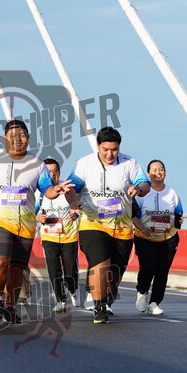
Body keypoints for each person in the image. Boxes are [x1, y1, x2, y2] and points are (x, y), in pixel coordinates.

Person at [0, 119, 72, 326]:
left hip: (25, 223)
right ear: (5, 138)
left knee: (17, 268)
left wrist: (57, 190)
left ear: (28, 138)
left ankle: (11, 306)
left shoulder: (37, 165)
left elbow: (47, 190)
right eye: (13, 136)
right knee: (1, 258)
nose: (18, 139)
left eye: (22, 136)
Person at [67, 127, 150, 324]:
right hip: (92, 222)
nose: (110, 154)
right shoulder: (84, 164)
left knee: (115, 273)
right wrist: (73, 202)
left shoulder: (130, 163)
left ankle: (104, 296)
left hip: (122, 227)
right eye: (105, 149)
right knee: (100, 263)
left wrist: (138, 189)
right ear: (98, 146)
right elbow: (71, 188)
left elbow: (145, 184)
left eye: (114, 150)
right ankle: (99, 307)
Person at [132, 160, 183, 316]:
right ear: (148, 174)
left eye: (161, 169)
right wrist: (142, 228)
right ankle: (142, 292)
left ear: (165, 173)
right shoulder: (141, 194)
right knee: (148, 267)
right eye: (154, 170)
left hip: (168, 238)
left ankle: (154, 303)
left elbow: (178, 214)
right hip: (144, 238)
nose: (158, 172)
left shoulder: (172, 193)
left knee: (162, 271)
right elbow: (133, 215)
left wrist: (178, 222)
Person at [36, 158, 80, 313]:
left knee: (70, 270)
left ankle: (73, 289)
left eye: (55, 171)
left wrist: (75, 215)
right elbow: (32, 213)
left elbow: (77, 207)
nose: (52, 175)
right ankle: (60, 300)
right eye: (49, 172)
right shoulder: (39, 192)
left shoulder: (67, 188)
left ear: (59, 173)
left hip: (69, 236)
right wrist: (38, 217)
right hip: (49, 237)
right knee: (54, 271)